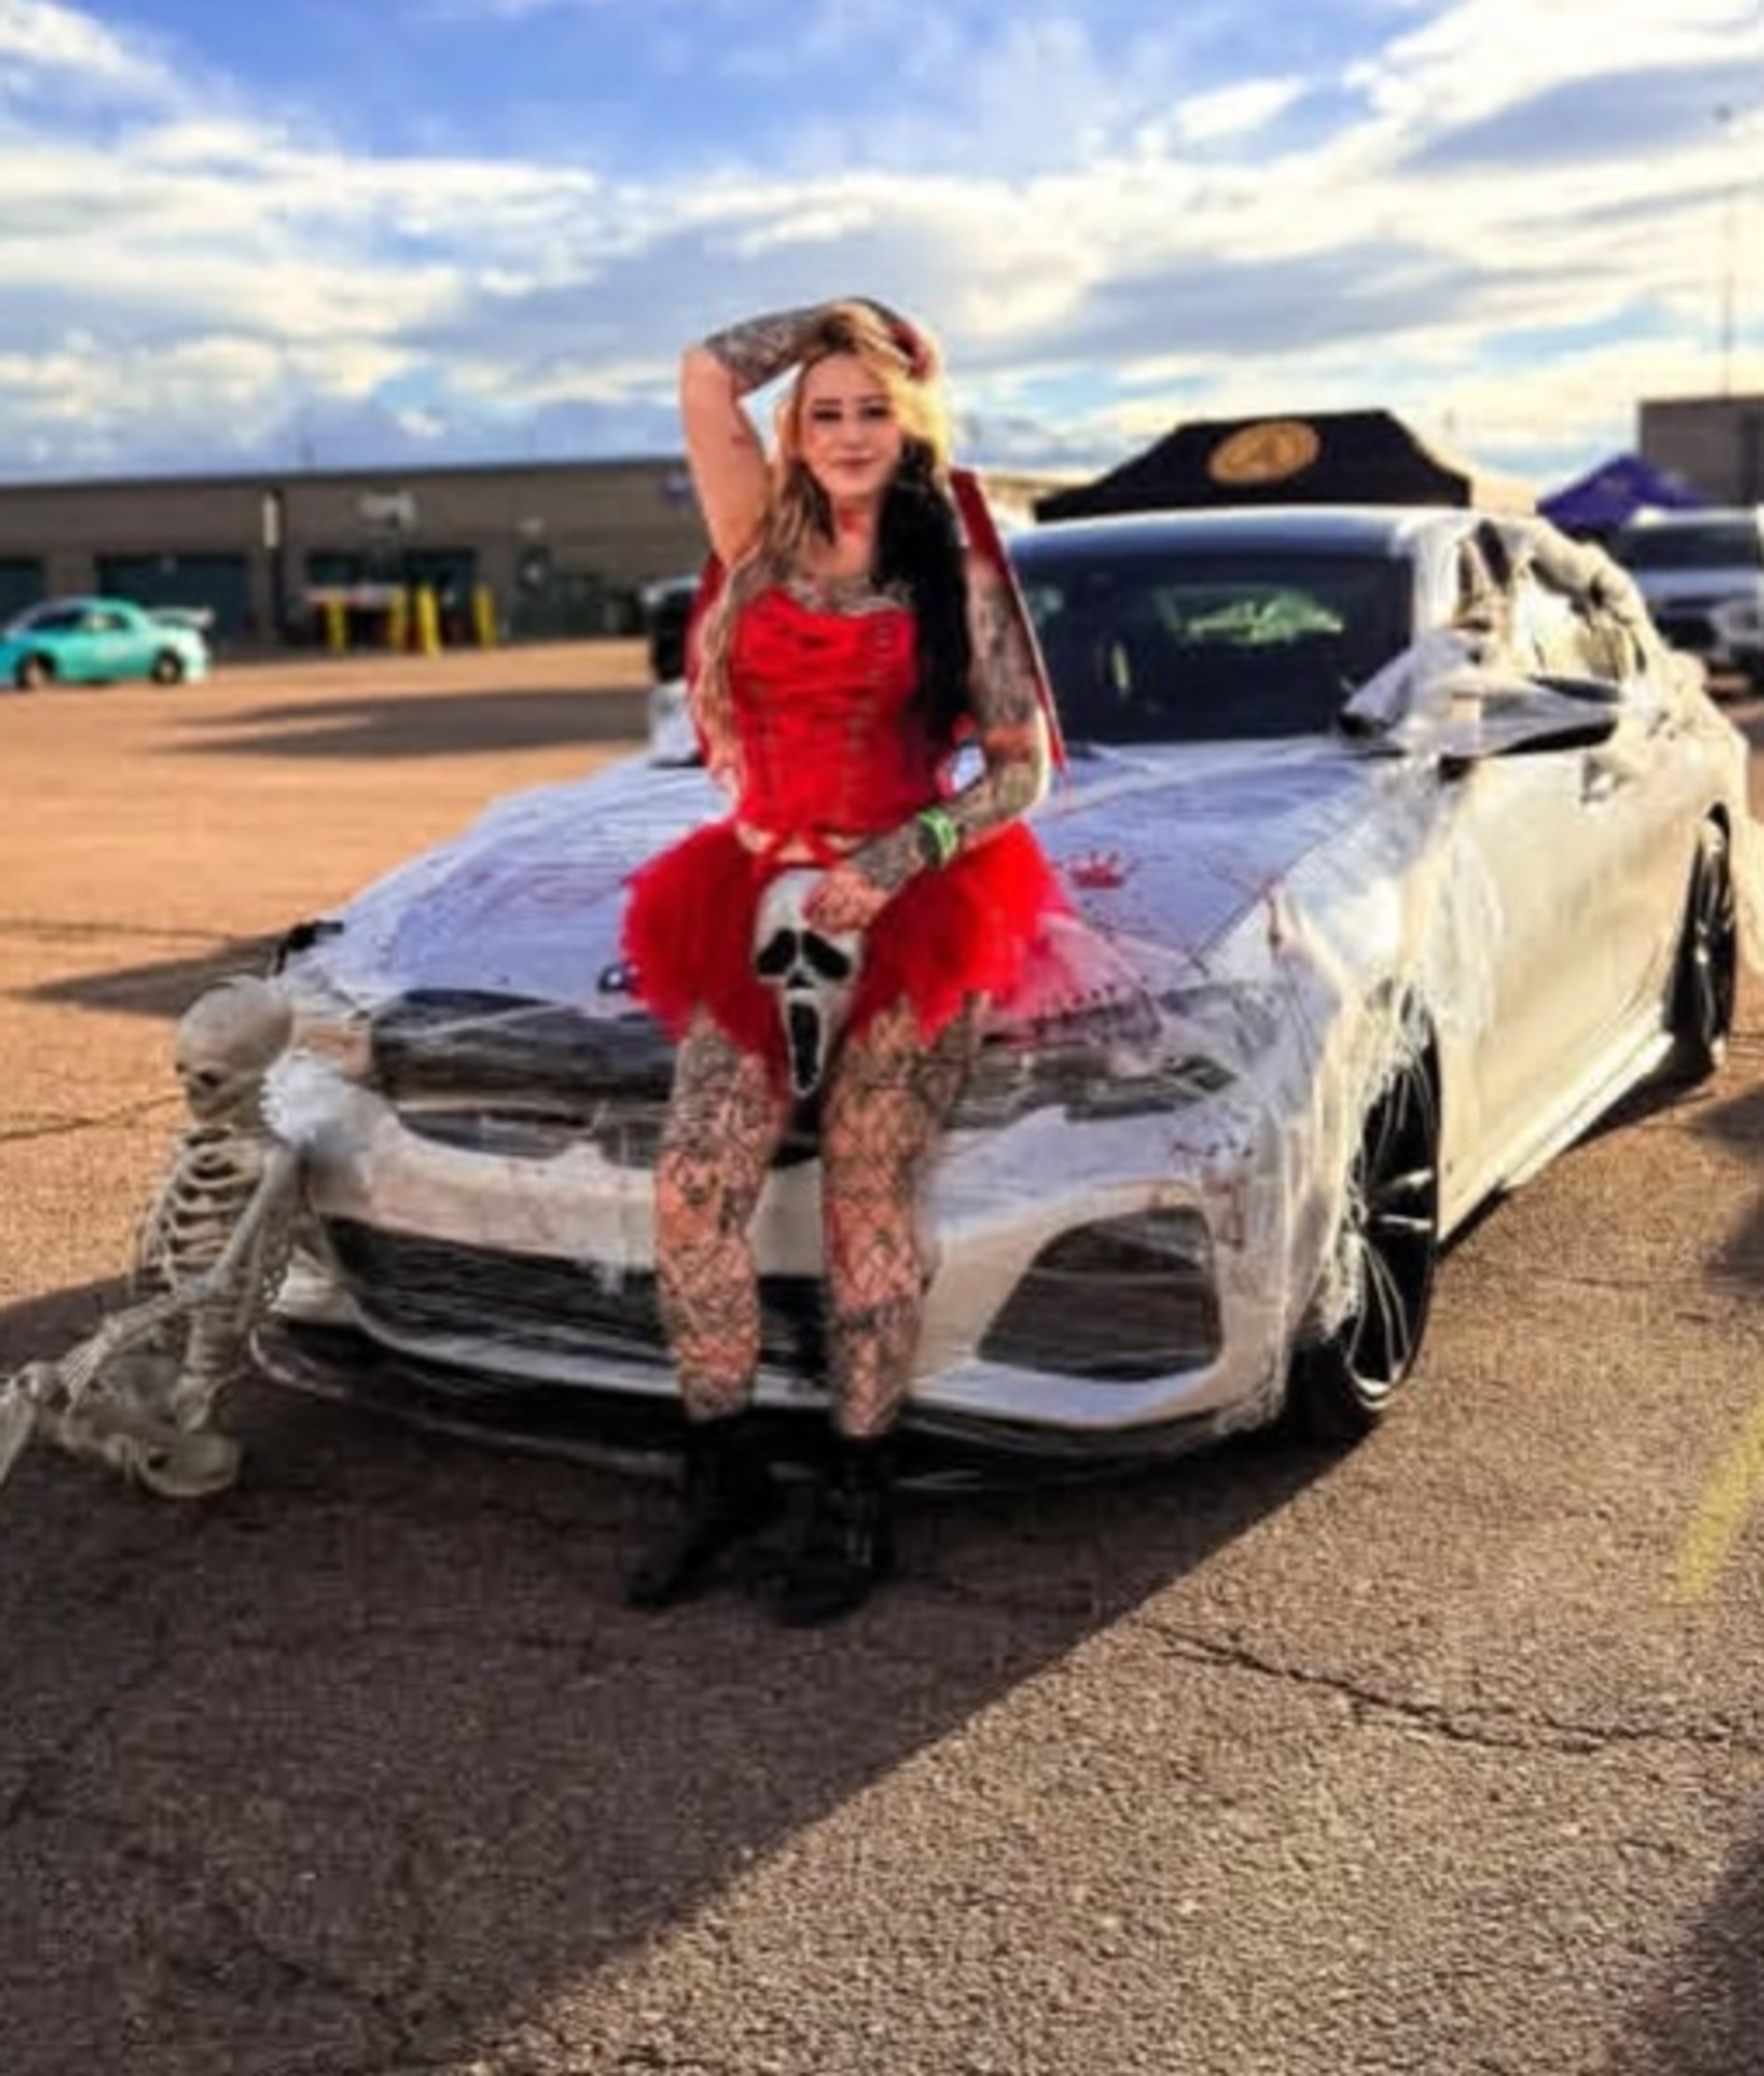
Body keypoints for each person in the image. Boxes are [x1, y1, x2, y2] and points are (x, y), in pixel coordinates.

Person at [620, 297, 1065, 1624]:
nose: (852, 432)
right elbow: (706, 371)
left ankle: (859, 1491)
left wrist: (900, 856)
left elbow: (1026, 767)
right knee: (694, 1187)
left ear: (911, 424)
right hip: (753, 895)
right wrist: (839, 321)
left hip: (911, 901)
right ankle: (724, 1476)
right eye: (826, 411)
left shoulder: (951, 572)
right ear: (795, 433)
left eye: (876, 409)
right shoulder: (753, 537)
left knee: (868, 1204)